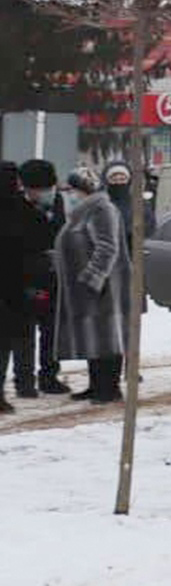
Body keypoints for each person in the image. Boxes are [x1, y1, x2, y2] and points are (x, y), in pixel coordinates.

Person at [52, 167, 128, 404]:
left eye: (72, 189)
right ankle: (96, 385)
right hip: (88, 290)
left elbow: (107, 247)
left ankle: (110, 389)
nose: (70, 194)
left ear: (83, 189)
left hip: (104, 288)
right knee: (92, 338)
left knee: (107, 338)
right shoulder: (83, 211)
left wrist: (92, 278)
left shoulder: (101, 209)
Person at [14, 160, 68, 396]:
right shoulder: (15, 205)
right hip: (25, 277)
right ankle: (24, 381)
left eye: (45, 189)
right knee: (24, 331)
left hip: (54, 276)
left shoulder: (59, 201)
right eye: (34, 189)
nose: (40, 194)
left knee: (51, 329)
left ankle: (49, 376)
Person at [0, 162, 35, 412]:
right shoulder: (21, 208)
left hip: (13, 287)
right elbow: (43, 237)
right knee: (7, 343)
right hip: (15, 289)